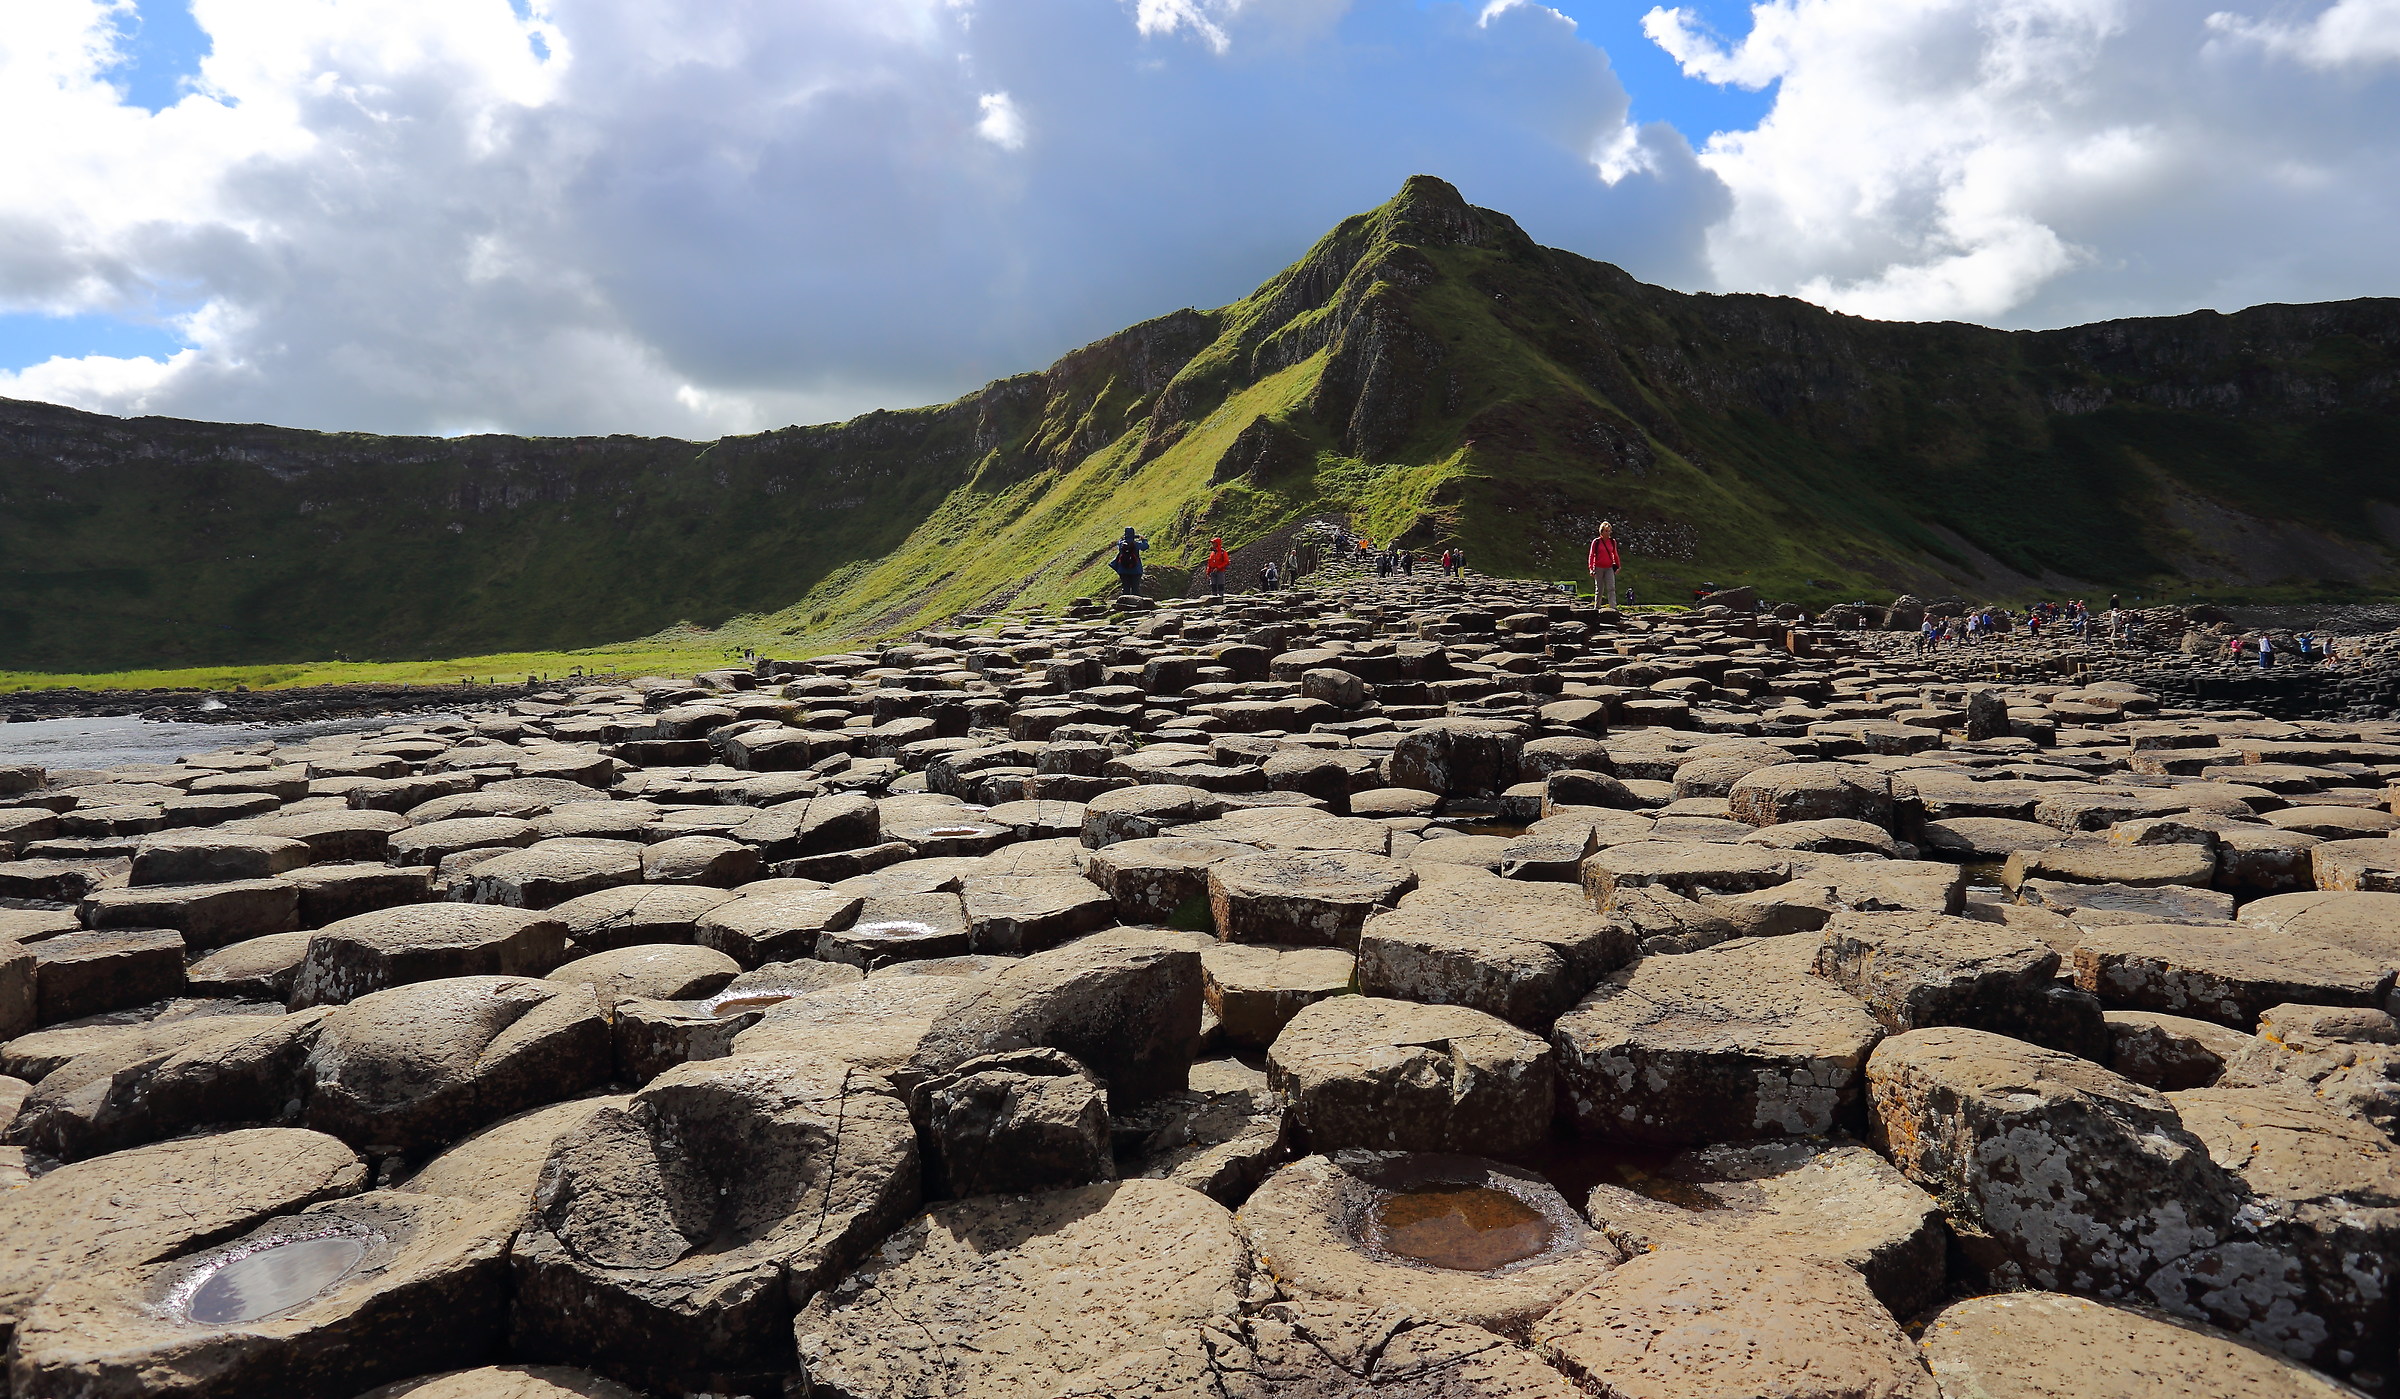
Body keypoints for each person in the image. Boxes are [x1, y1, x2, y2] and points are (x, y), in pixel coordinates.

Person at [1588, 522, 1622, 608]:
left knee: (1611, 588)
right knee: (1599, 589)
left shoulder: (1612, 542)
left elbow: (1615, 554)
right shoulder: (1596, 542)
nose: (1608, 533)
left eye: (1609, 531)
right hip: (1598, 567)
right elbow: (1591, 556)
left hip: (1609, 567)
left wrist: (1618, 566)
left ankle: (1613, 607)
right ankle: (1597, 606)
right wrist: (1591, 568)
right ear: (1601, 532)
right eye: (1606, 531)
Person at [1111, 527, 1149, 594]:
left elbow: (1119, 542)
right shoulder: (1136, 544)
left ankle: (1124, 602)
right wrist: (1144, 539)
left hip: (1123, 570)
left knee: (1125, 588)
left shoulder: (1121, 544)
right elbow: (1145, 546)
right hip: (1136, 570)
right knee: (1135, 589)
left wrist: (1124, 538)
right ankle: (1136, 602)